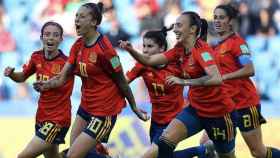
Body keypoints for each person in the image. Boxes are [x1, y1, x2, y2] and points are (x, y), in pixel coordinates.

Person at [33, 2, 148, 158]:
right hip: (86, 107)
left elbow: (122, 81)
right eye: (76, 16)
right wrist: (46, 85)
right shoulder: (77, 45)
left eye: (82, 17)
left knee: (72, 156)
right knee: (78, 152)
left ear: (93, 22)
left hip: (105, 111)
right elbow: (61, 78)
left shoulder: (107, 51)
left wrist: (134, 107)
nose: (76, 20)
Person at [120, 11, 237, 158]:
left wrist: (184, 81)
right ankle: (202, 151)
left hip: (219, 113)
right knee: (164, 143)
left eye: (179, 25)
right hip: (195, 110)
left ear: (192, 29)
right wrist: (130, 49)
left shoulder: (202, 50)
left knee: (229, 155)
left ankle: (207, 150)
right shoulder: (179, 49)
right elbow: (149, 61)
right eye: (175, 25)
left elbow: (216, 78)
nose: (175, 29)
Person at [212, 4, 280, 158]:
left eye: (221, 17)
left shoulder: (238, 43)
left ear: (230, 21)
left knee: (258, 152)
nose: (216, 21)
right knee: (213, 148)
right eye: (215, 17)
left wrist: (224, 77)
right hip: (224, 106)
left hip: (244, 104)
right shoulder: (216, 46)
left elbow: (250, 69)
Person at [4, 21, 74, 158]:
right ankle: (92, 154)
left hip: (58, 120)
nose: (51, 38)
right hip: (41, 117)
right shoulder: (36, 57)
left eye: (55, 35)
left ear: (61, 39)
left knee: (23, 156)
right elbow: (22, 77)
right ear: (41, 38)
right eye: (47, 34)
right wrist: (12, 74)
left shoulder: (67, 63)